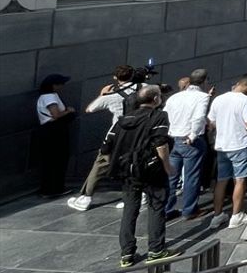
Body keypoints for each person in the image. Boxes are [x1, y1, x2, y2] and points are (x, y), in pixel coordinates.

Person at [102, 85, 178, 268]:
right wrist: (167, 166)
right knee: (156, 207)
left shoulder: (121, 121)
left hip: (127, 172)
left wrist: (117, 163)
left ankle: (126, 254)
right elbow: (161, 143)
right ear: (155, 99)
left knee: (130, 209)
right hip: (151, 171)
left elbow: (105, 148)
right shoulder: (159, 116)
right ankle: (156, 250)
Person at [67, 65, 139, 211]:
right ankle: (134, 196)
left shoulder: (111, 95)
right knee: (133, 165)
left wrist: (103, 94)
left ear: (115, 77)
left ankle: (86, 197)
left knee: (100, 165)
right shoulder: (142, 89)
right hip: (137, 133)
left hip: (116, 134)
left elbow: (90, 108)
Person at [161, 68, 212, 219]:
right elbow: (199, 118)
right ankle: (189, 210)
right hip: (190, 140)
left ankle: (167, 208)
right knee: (191, 176)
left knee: (171, 176)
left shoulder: (174, 97)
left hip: (173, 138)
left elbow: (165, 115)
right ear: (204, 81)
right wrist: (193, 135)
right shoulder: (203, 97)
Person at [208, 76, 247, 229]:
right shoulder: (245, 100)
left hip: (222, 145)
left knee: (222, 180)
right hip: (240, 144)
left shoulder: (219, 99)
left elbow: (212, 122)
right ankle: (237, 215)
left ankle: (217, 215)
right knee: (240, 180)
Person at [34, 73, 75, 197]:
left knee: (50, 160)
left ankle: (49, 188)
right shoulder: (49, 97)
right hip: (54, 130)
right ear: (54, 85)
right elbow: (55, 115)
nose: (62, 86)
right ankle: (54, 188)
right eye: (60, 84)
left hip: (49, 130)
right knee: (57, 159)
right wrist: (69, 111)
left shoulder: (45, 96)